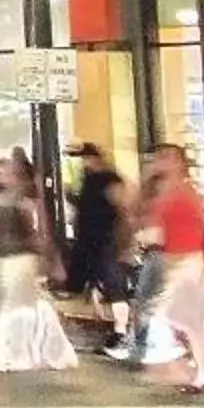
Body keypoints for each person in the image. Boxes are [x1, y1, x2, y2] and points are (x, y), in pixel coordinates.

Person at [132, 144, 204, 392]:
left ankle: (186, 368)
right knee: (182, 319)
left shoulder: (183, 193)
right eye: (159, 158)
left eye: (166, 158)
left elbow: (188, 230)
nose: (160, 162)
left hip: (185, 261)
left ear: (180, 163)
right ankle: (203, 370)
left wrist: (145, 237)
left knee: (169, 317)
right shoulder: (168, 192)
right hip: (178, 261)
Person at [0, 156, 75, 374]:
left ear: (17, 176)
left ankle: (16, 354)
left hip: (20, 259)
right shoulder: (3, 198)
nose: (1, 172)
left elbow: (38, 234)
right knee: (21, 306)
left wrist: (50, 259)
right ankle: (35, 350)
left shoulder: (24, 201)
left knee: (16, 308)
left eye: (7, 170)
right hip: (7, 258)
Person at [63, 144, 129, 344]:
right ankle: (105, 322)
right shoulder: (88, 179)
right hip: (89, 240)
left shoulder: (109, 179)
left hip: (105, 239)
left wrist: (124, 241)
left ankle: (121, 330)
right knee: (93, 281)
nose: (84, 163)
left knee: (113, 284)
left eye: (86, 158)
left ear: (95, 158)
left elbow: (122, 208)